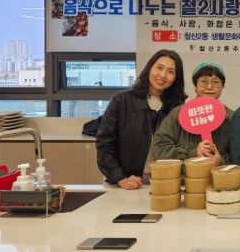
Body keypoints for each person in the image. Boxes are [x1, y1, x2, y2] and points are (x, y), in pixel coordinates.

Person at [96, 49, 186, 190]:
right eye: (159, 67)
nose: (163, 75)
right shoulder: (121, 100)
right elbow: (104, 144)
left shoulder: (178, 108)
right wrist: (119, 178)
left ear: (176, 78)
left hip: (166, 180)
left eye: (170, 72)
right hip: (126, 182)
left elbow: (182, 148)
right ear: (150, 68)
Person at [150, 61, 232, 165]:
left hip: (220, 175)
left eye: (215, 82)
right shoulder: (178, 114)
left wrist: (221, 161)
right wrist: (192, 153)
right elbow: (159, 148)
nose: (209, 86)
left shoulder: (232, 118)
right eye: (203, 81)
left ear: (222, 86)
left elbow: (239, 156)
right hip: (185, 175)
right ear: (195, 86)